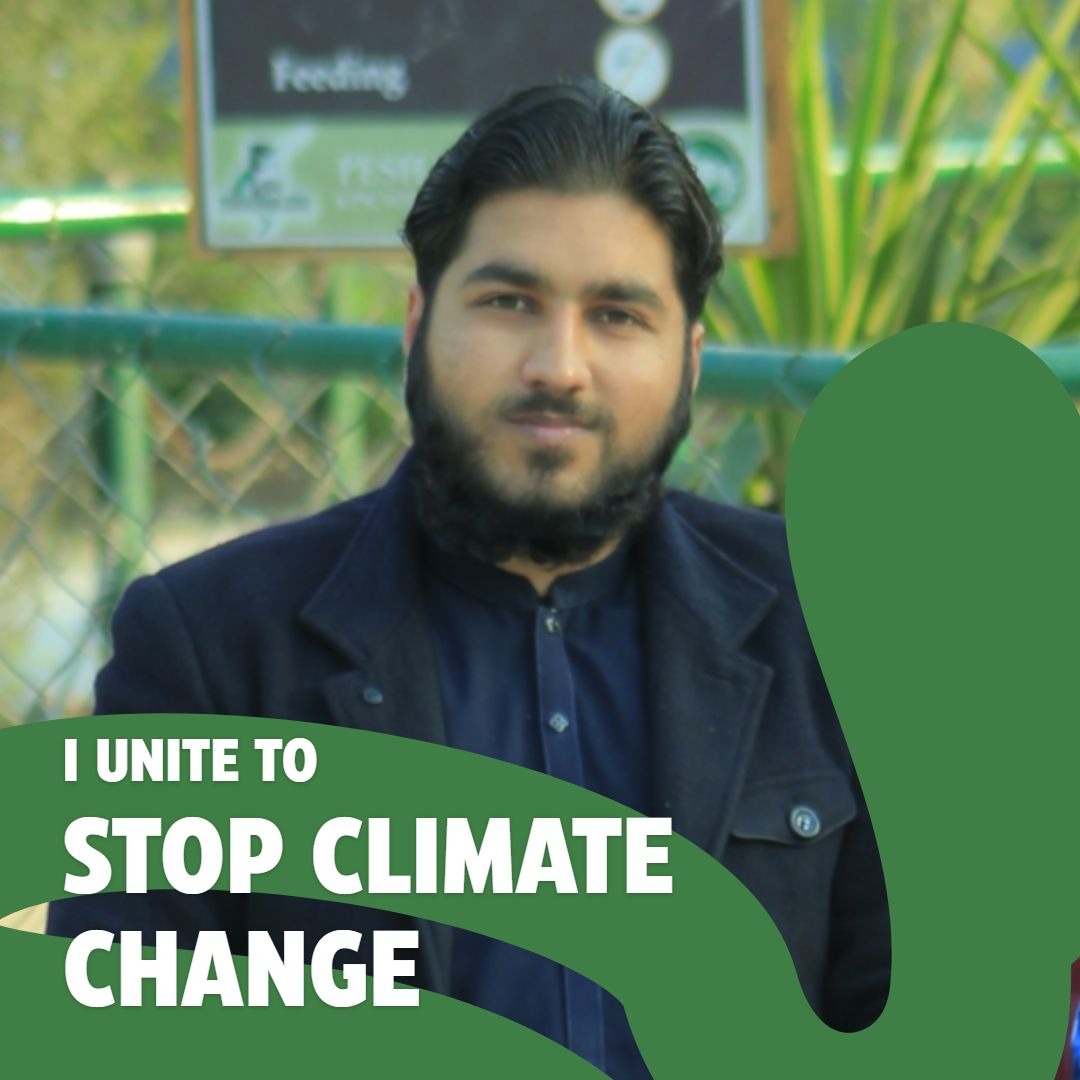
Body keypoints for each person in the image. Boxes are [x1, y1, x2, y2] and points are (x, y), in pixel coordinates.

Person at [49, 79, 890, 1077]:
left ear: (691, 361)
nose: (558, 365)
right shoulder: (213, 654)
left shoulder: (829, 625)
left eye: (618, 315)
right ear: (416, 324)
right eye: (508, 302)